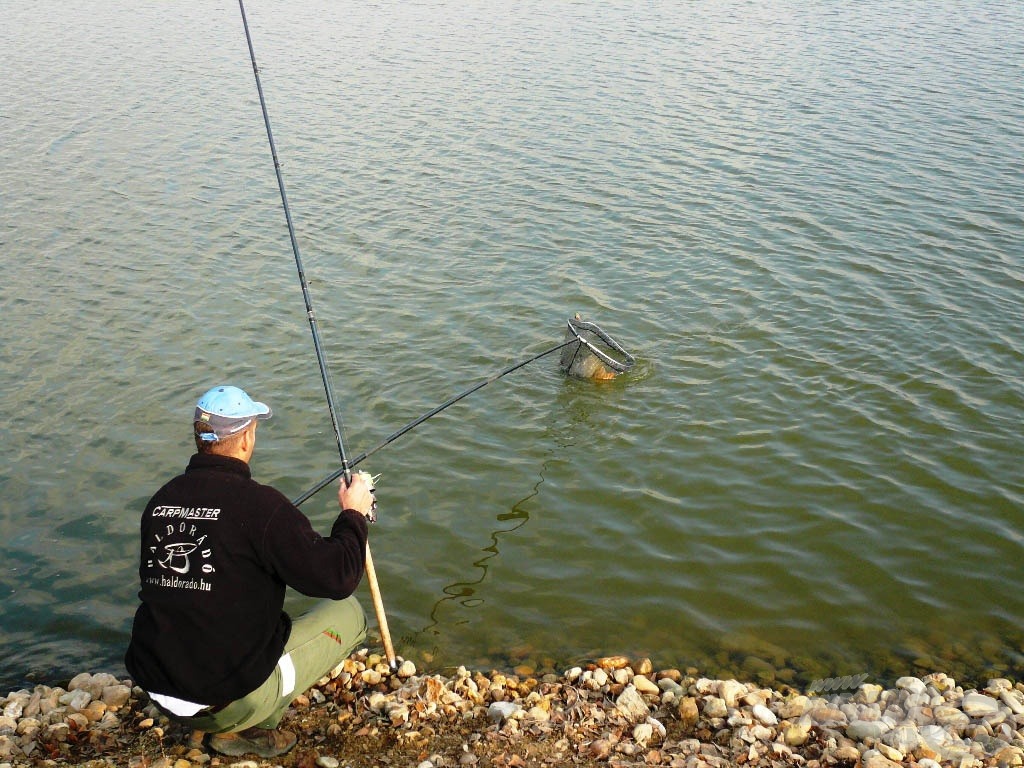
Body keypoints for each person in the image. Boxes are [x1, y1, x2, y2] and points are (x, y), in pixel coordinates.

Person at [125, 385, 376, 758]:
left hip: (157, 686)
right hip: (224, 698)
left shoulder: (160, 501)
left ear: (200, 438)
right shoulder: (263, 507)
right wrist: (354, 514)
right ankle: (242, 726)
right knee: (350, 613)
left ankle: (204, 722)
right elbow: (339, 576)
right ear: (245, 439)